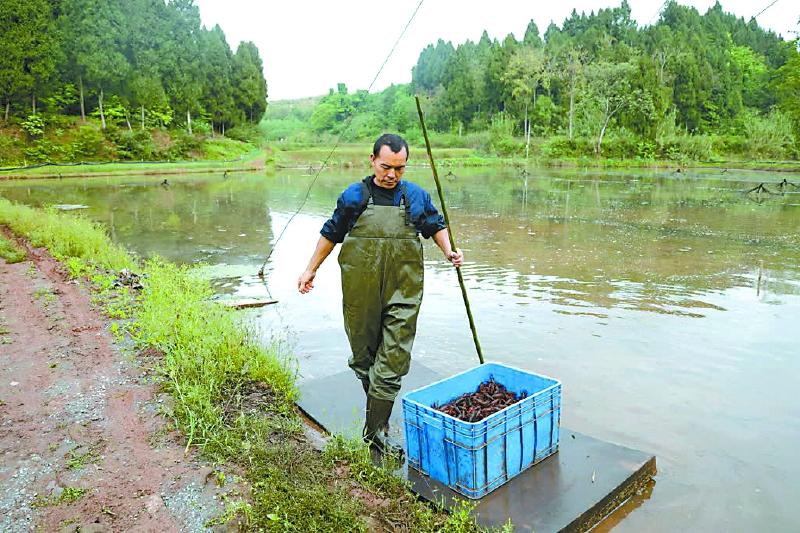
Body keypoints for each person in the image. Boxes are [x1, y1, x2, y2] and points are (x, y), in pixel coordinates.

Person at [298, 133, 464, 458]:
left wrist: (449, 252)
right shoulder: (354, 197)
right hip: (361, 294)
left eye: (399, 168)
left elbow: (435, 225)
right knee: (364, 360)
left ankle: (374, 434)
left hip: (403, 291)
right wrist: (310, 269)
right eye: (387, 166)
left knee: (392, 362)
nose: (392, 174)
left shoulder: (415, 196)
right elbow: (331, 233)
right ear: (372, 160)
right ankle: (379, 419)